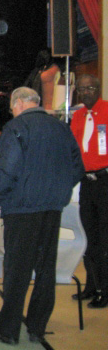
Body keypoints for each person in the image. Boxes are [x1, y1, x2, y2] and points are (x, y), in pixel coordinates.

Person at [0, 87, 84, 345]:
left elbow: (7, 168)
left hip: (22, 209)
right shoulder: (61, 128)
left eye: (12, 107)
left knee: (17, 271)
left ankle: (7, 330)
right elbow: (77, 167)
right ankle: (37, 328)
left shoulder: (17, 127)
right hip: (52, 209)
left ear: (19, 104)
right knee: (46, 270)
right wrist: (57, 190)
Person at [70, 74, 108, 308]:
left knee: (104, 239)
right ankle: (91, 286)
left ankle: (105, 290)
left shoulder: (107, 111)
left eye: (89, 88)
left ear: (98, 89)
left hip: (105, 181)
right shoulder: (78, 116)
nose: (85, 93)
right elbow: (73, 149)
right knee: (88, 236)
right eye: (81, 89)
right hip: (87, 182)